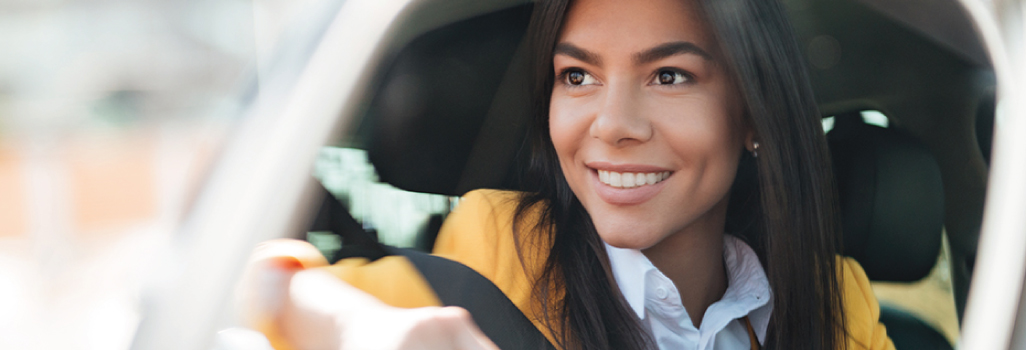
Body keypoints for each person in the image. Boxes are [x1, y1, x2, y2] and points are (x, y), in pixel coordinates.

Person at [245, 0, 895, 348]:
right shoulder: (502, 248)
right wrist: (357, 328)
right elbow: (250, 297)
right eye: (577, 76)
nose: (612, 124)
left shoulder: (837, 301)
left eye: (669, 75)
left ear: (753, 114)